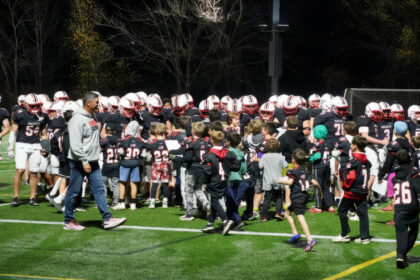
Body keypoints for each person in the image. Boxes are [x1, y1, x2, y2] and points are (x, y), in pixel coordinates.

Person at [64, 91, 126, 230]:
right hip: (80, 161)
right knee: (74, 191)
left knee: (99, 190)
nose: (99, 105)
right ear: (88, 103)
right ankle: (68, 221)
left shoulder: (91, 116)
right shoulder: (77, 119)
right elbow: (75, 144)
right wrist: (84, 161)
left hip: (92, 161)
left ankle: (107, 218)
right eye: (97, 102)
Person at [278, 148, 321, 252]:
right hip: (303, 196)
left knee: (300, 217)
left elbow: (290, 182)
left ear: (293, 160)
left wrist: (279, 180)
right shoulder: (306, 171)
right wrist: (320, 191)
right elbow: (315, 183)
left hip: (297, 197)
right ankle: (295, 233)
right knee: (287, 213)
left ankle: (310, 239)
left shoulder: (292, 171)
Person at [332, 135, 372, 244]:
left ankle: (344, 234)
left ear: (354, 146)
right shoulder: (366, 160)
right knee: (363, 213)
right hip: (363, 190)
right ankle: (365, 237)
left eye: (352, 144)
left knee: (341, 210)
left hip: (353, 190)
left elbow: (351, 176)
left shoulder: (354, 160)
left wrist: (345, 187)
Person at [201, 131, 239, 235]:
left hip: (213, 180)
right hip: (224, 180)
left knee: (214, 201)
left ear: (211, 140)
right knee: (214, 200)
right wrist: (227, 168)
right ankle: (210, 223)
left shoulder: (208, 155)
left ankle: (225, 220)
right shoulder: (228, 153)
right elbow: (236, 166)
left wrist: (204, 181)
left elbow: (207, 171)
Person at [391, 150, 420, 269]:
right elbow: (418, 188)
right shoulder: (413, 172)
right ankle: (402, 253)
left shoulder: (394, 176)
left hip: (399, 207)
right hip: (411, 206)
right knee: (413, 230)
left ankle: (400, 255)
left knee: (401, 233)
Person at [258, 139, 288, 221]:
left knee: (267, 198)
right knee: (279, 197)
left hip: (268, 180)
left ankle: (263, 216)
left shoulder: (264, 156)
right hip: (278, 179)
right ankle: (278, 212)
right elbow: (286, 166)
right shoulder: (281, 157)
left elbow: (260, 166)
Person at [308, 125, 334, 213]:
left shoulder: (318, 143)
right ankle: (329, 206)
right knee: (326, 187)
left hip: (319, 167)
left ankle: (318, 206)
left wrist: (308, 158)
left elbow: (318, 156)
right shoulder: (328, 143)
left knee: (317, 186)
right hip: (327, 166)